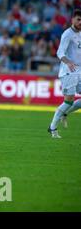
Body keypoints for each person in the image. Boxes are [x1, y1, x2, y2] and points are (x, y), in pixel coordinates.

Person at [48, 9, 81, 138]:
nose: (80, 22)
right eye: (78, 19)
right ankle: (52, 127)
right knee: (68, 100)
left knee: (69, 102)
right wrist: (68, 62)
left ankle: (65, 113)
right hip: (68, 71)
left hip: (79, 70)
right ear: (72, 19)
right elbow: (60, 52)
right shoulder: (67, 34)